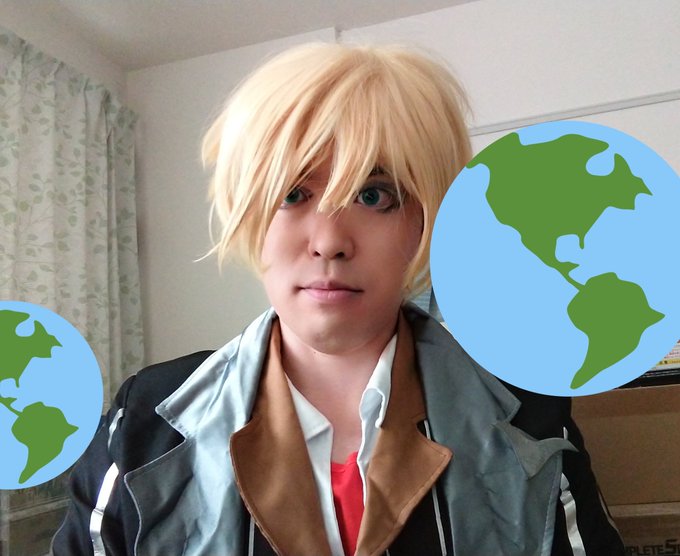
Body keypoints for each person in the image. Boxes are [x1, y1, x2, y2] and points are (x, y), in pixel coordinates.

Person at [52, 42, 624, 556]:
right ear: (247, 212)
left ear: (426, 220)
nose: (329, 241)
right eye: (292, 193)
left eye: (374, 196)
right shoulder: (144, 420)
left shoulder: (531, 416)